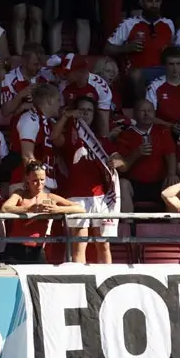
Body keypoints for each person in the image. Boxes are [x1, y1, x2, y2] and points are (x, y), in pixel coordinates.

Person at [54, 96, 122, 264]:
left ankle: (107, 282)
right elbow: (54, 137)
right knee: (79, 247)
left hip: (102, 198)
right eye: (82, 109)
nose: (85, 113)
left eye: (89, 110)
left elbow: (122, 162)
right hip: (77, 197)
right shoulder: (70, 137)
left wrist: (119, 162)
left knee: (104, 245)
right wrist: (66, 116)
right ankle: (80, 284)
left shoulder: (102, 140)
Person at [0, 162, 84, 264]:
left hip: (37, 249)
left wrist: (58, 210)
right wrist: (29, 209)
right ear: (27, 179)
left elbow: (80, 208)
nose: (39, 184)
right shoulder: (20, 194)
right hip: (15, 248)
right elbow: (4, 208)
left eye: (42, 180)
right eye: (35, 181)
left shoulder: (50, 197)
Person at [104, 0, 176, 98]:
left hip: (163, 69)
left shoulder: (168, 24)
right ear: (141, 3)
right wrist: (127, 48)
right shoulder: (129, 24)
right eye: (150, 1)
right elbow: (107, 49)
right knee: (136, 75)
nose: (154, 5)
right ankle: (143, 109)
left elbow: (173, 50)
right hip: (139, 70)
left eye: (157, 1)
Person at [114, 99, 179, 205]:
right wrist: (136, 154)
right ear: (134, 114)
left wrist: (172, 174)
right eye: (142, 110)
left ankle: (174, 222)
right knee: (122, 184)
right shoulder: (125, 135)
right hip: (135, 183)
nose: (146, 114)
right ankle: (127, 221)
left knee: (174, 183)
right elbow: (122, 168)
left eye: (150, 110)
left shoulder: (162, 131)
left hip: (158, 183)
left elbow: (170, 154)